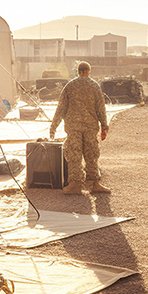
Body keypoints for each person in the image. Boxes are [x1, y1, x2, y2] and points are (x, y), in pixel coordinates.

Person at [50, 61, 110, 194]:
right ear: (89, 71)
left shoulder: (70, 86)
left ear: (78, 71)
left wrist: (53, 126)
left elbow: (61, 107)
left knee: (74, 155)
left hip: (73, 127)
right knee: (91, 155)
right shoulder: (94, 86)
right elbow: (100, 107)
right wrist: (104, 126)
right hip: (90, 126)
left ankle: (75, 185)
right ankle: (94, 183)